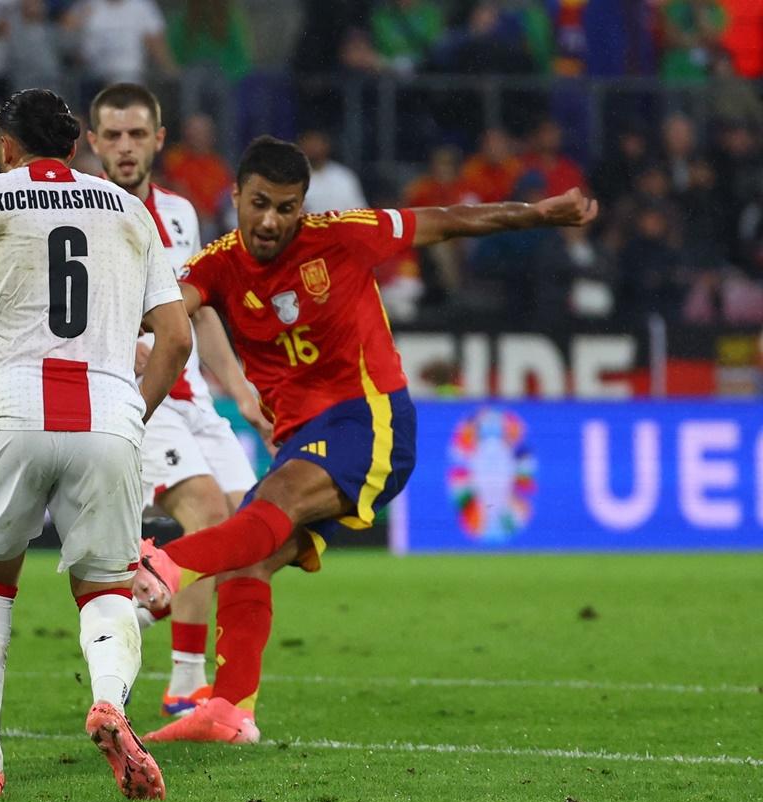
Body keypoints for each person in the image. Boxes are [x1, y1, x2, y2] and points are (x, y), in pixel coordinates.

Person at [142, 135, 597, 744]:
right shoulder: (218, 264)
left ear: (303, 205)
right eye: (259, 204)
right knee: (249, 553)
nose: (271, 220)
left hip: (371, 420)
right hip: (304, 438)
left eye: (286, 206)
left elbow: (447, 221)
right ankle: (229, 711)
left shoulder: (341, 234)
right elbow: (171, 310)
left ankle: (161, 567)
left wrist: (539, 214)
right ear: (235, 197)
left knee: (269, 504)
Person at [0, 88, 191, 800]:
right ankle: (111, 701)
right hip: (108, 412)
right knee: (106, 586)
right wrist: (133, 415)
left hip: (11, 409)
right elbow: (174, 336)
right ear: (78, 144)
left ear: (4, 146)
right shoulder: (130, 211)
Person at [87, 82, 265, 717]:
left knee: (254, 528)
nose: (126, 147)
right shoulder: (84, 216)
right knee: (210, 513)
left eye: (138, 134)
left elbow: (201, 311)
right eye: (113, 135)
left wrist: (240, 390)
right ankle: (188, 684)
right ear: (93, 141)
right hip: (137, 396)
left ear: (159, 139)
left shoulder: (183, 214)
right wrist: (115, 343)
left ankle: (148, 585)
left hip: (194, 397)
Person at [297, 129, 367, 214]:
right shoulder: (290, 177)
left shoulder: (344, 177)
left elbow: (360, 211)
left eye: (317, 143)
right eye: (309, 143)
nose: (313, 149)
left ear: (326, 146)